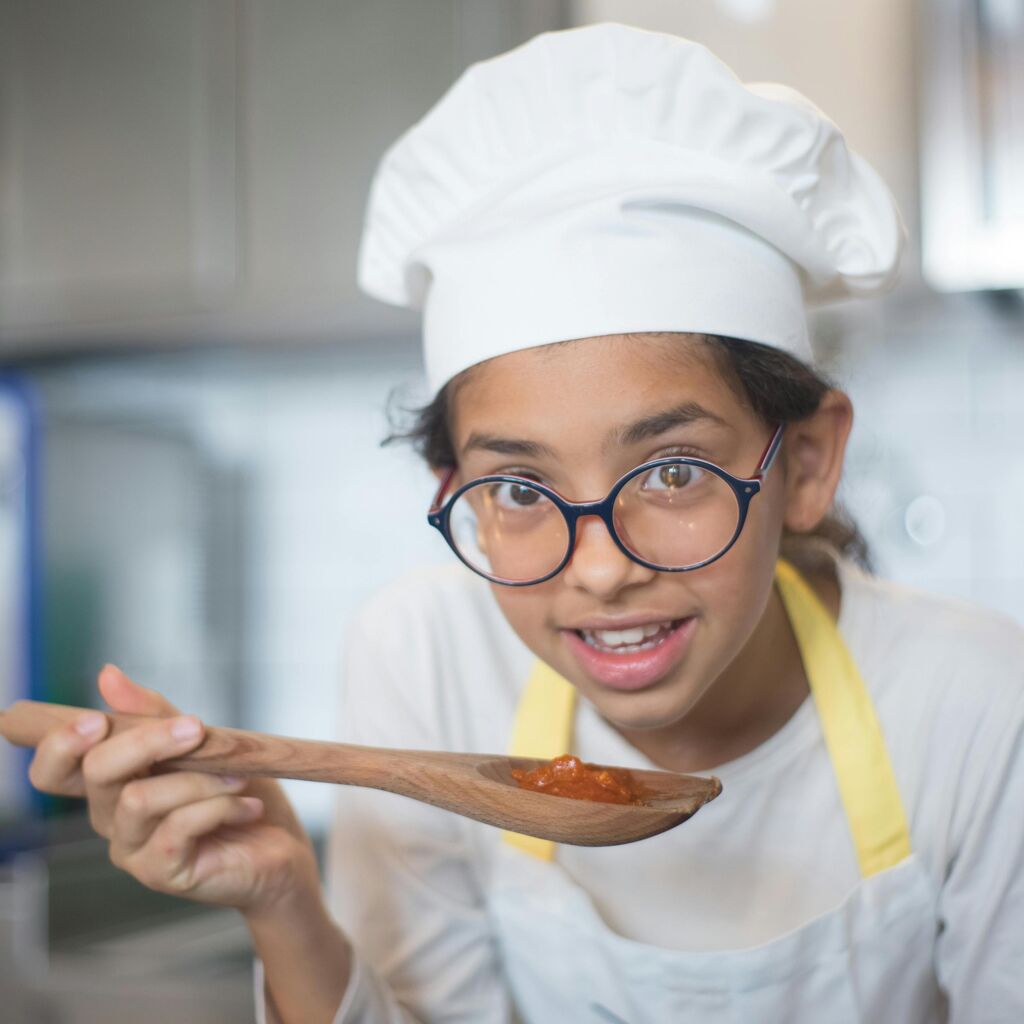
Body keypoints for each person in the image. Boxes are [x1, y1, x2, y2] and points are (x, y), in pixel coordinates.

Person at [23, 23, 1024, 1024]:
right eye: (516, 491)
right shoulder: (426, 654)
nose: (596, 571)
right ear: (448, 484)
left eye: (670, 472)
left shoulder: (977, 708)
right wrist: (283, 903)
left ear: (803, 463)